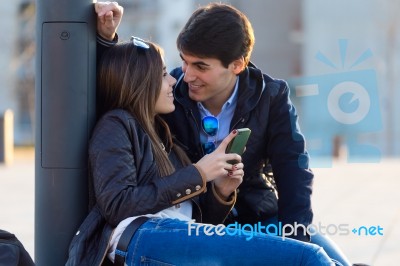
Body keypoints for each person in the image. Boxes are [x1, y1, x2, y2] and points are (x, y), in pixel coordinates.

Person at [93, 2, 352, 266]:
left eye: (201, 66)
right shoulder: (167, 98)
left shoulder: (271, 96)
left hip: (254, 215)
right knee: (309, 258)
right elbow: (124, 84)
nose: (186, 75)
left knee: (324, 257)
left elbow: (294, 173)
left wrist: (294, 240)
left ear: (237, 65)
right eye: (184, 61)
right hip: (195, 224)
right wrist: (106, 39)